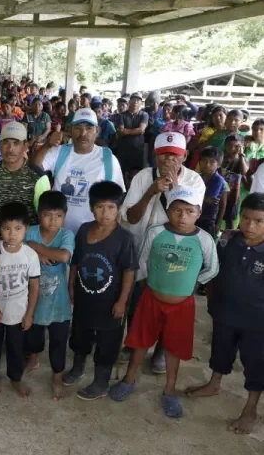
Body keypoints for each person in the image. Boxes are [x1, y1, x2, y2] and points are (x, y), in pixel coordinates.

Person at [110, 185, 219, 418]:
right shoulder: (155, 232)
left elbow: (212, 268)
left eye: (190, 212)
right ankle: (129, 379)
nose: (183, 217)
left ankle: (170, 390)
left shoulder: (204, 239)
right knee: (140, 341)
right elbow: (142, 261)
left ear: (199, 213)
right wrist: (138, 287)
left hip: (182, 305)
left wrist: (191, 283)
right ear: (168, 209)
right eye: (178, 210)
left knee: (174, 347)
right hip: (152, 298)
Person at [185, 193, 264, 434]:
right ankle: (214, 384)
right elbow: (213, 272)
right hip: (224, 312)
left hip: (257, 322)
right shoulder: (227, 240)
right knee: (220, 350)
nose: (250, 226)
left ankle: (250, 408)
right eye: (246, 218)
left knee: (255, 364)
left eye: (259, 221)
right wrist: (211, 301)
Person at [61, 182, 137, 401]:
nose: (105, 213)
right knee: (80, 336)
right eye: (100, 207)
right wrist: (71, 285)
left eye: (111, 208)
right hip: (85, 298)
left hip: (110, 303)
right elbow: (75, 262)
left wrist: (122, 302)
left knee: (107, 343)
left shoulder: (124, 239)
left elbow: (129, 272)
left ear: (118, 210)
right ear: (92, 207)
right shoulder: (84, 230)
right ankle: (78, 367)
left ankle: (101, 382)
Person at [33, 108, 125, 234]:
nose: (83, 133)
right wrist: (47, 145)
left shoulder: (108, 158)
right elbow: (34, 168)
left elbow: (118, 200)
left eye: (89, 128)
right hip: (57, 234)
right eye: (78, 128)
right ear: (70, 129)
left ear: (97, 131)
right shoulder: (60, 152)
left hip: (92, 236)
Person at [0, 202, 40, 398]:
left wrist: (29, 314)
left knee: (17, 348)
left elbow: (34, 287)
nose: (12, 233)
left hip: (19, 313)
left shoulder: (30, 255)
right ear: (0, 228)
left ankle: (15, 378)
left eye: (18, 229)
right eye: (7, 228)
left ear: (26, 229)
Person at [23, 191, 73, 400]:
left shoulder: (66, 235)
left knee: (58, 341)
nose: (53, 221)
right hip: (34, 300)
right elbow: (17, 247)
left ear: (65, 216)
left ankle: (57, 378)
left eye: (58, 216)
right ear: (38, 214)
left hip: (59, 301)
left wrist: (37, 249)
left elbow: (63, 255)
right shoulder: (30, 231)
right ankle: (34, 358)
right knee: (33, 336)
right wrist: (37, 250)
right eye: (48, 215)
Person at [0, 121, 50, 237]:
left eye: (16, 143)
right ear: (0, 145)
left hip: (27, 244)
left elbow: (44, 215)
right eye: (6, 143)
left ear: (25, 146)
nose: (10, 149)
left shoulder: (38, 177)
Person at [116, 93, 149, 185]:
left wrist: (127, 131)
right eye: (133, 100)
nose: (135, 102)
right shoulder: (122, 115)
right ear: (129, 102)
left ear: (140, 103)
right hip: (123, 148)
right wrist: (136, 131)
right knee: (122, 171)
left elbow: (141, 129)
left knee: (136, 173)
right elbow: (121, 131)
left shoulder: (144, 115)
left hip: (137, 149)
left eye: (138, 100)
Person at [197, 147, 229, 238]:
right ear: (199, 162)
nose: (207, 164)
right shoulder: (196, 177)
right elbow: (206, 199)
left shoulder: (218, 180)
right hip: (195, 216)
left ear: (218, 165)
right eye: (204, 160)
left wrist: (218, 223)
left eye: (212, 162)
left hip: (208, 219)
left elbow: (213, 201)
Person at [221, 135, 248, 230]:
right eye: (229, 145)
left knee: (230, 219)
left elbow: (245, 173)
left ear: (242, 147)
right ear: (225, 146)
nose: (232, 148)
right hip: (220, 193)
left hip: (233, 195)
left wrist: (241, 156)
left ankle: (229, 238)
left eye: (237, 146)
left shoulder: (243, 160)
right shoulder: (221, 157)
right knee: (217, 216)